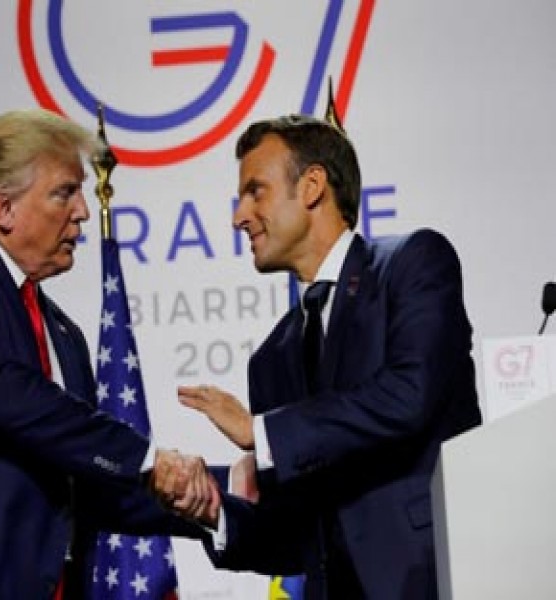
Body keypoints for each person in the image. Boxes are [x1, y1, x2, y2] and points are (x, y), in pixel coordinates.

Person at [0, 108, 215, 600]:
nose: (81, 210)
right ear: (3, 209)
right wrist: (147, 457)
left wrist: (219, 498)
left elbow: (94, 484)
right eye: (64, 192)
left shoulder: (64, 333)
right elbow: (3, 390)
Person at [159, 115, 482, 599]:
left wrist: (262, 432)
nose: (238, 216)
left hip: (433, 579)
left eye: (256, 192)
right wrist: (213, 511)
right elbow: (292, 538)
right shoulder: (271, 359)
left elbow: (408, 396)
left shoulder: (412, 265)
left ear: (312, 187)